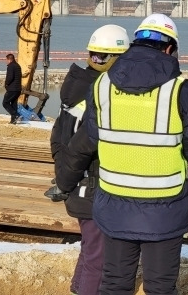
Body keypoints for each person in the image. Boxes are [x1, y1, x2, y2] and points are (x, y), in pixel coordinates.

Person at [56, 14, 188, 295]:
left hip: (114, 206)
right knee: (160, 287)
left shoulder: (102, 86)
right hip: (164, 210)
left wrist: (65, 180)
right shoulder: (181, 91)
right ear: (170, 49)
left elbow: (89, 138)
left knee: (115, 284)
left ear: (135, 44)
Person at [46, 24, 130, 295]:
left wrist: (64, 179)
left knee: (90, 248)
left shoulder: (77, 87)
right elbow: (85, 145)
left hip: (78, 184)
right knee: (99, 259)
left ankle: (77, 288)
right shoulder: (100, 93)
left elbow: (58, 138)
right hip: (92, 187)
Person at [3, 53, 22, 124]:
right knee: (13, 104)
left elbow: (10, 77)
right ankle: (13, 120)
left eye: (6, 60)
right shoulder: (17, 66)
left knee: (5, 103)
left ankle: (16, 115)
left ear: (9, 59)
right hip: (18, 89)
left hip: (12, 89)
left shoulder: (11, 66)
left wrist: (6, 84)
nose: (6, 61)